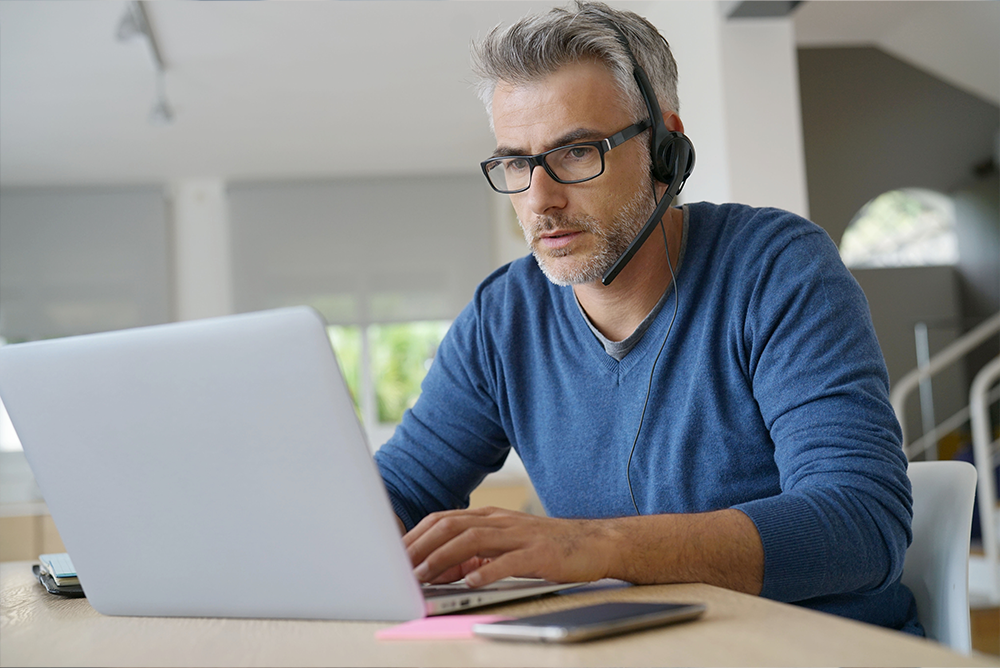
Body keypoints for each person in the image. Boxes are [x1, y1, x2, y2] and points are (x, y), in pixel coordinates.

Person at [374, 1, 921, 634]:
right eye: (517, 163)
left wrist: (586, 546)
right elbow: (396, 494)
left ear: (665, 147)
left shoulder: (777, 269)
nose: (540, 200)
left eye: (576, 152)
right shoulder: (504, 317)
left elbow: (862, 524)